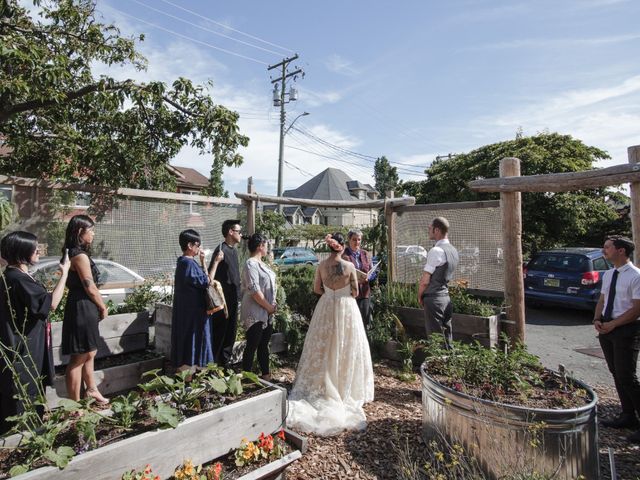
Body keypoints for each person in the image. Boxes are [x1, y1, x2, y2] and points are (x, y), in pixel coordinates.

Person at [287, 233, 374, 436]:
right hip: (346, 309)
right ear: (342, 247)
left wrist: (330, 292)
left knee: (323, 345)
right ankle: (343, 386)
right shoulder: (350, 267)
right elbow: (355, 293)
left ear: (330, 247)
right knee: (346, 345)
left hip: (325, 307)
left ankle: (322, 383)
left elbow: (317, 289)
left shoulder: (321, 265)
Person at [0, 232, 70, 433]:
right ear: (22, 252)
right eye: (34, 247)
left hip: (20, 346)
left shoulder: (11, 276)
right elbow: (51, 304)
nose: (39, 250)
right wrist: (64, 273)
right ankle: (29, 434)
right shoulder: (20, 279)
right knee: (27, 393)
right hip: (26, 350)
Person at [593, 235, 640, 443]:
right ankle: (628, 415)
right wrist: (597, 318)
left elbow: (637, 308)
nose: (604, 251)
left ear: (621, 251)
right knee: (616, 373)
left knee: (627, 376)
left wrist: (614, 324)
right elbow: (603, 299)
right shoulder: (609, 274)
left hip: (626, 329)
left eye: (607, 248)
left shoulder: (636, 275)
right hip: (607, 329)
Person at [61, 214, 110, 404]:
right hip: (82, 306)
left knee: (89, 351)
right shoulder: (79, 256)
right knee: (79, 357)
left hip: (82, 305)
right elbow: (89, 286)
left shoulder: (74, 252)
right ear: (80, 232)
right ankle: (73, 406)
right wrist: (102, 305)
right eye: (91, 230)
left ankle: (91, 390)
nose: (94, 234)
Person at [171, 229, 221, 370]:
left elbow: (204, 279)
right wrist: (215, 262)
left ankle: (190, 381)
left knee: (191, 344)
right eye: (197, 245)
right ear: (189, 245)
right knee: (192, 345)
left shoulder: (185, 263)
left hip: (190, 314)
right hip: (193, 316)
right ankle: (189, 383)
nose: (199, 248)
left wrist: (202, 261)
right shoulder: (188, 264)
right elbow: (208, 281)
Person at [417, 217, 459, 349]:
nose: (428, 230)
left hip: (434, 300)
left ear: (437, 230)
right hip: (446, 298)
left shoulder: (436, 251)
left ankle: (437, 367)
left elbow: (425, 281)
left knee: (435, 339)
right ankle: (449, 366)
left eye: (430, 228)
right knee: (447, 337)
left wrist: (420, 296)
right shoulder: (453, 250)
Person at [240, 233, 277, 380]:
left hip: (267, 311)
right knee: (253, 344)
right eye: (266, 245)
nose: (267, 248)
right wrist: (268, 307)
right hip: (255, 311)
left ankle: (266, 375)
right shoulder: (251, 264)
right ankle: (246, 378)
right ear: (260, 246)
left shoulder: (262, 264)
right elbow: (255, 290)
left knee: (263, 345)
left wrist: (271, 305)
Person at [209, 220, 242, 367]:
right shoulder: (221, 250)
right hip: (223, 300)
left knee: (231, 331)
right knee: (221, 332)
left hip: (234, 297)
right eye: (238, 231)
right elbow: (212, 277)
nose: (241, 234)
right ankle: (215, 364)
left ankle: (225, 362)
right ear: (230, 232)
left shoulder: (234, 250)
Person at [342, 229, 375, 328]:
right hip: (350, 294)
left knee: (364, 321)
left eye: (359, 240)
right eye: (354, 239)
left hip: (364, 293)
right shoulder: (344, 255)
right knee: (351, 322)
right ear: (349, 240)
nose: (357, 242)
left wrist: (369, 277)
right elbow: (341, 275)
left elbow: (372, 270)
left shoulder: (365, 254)